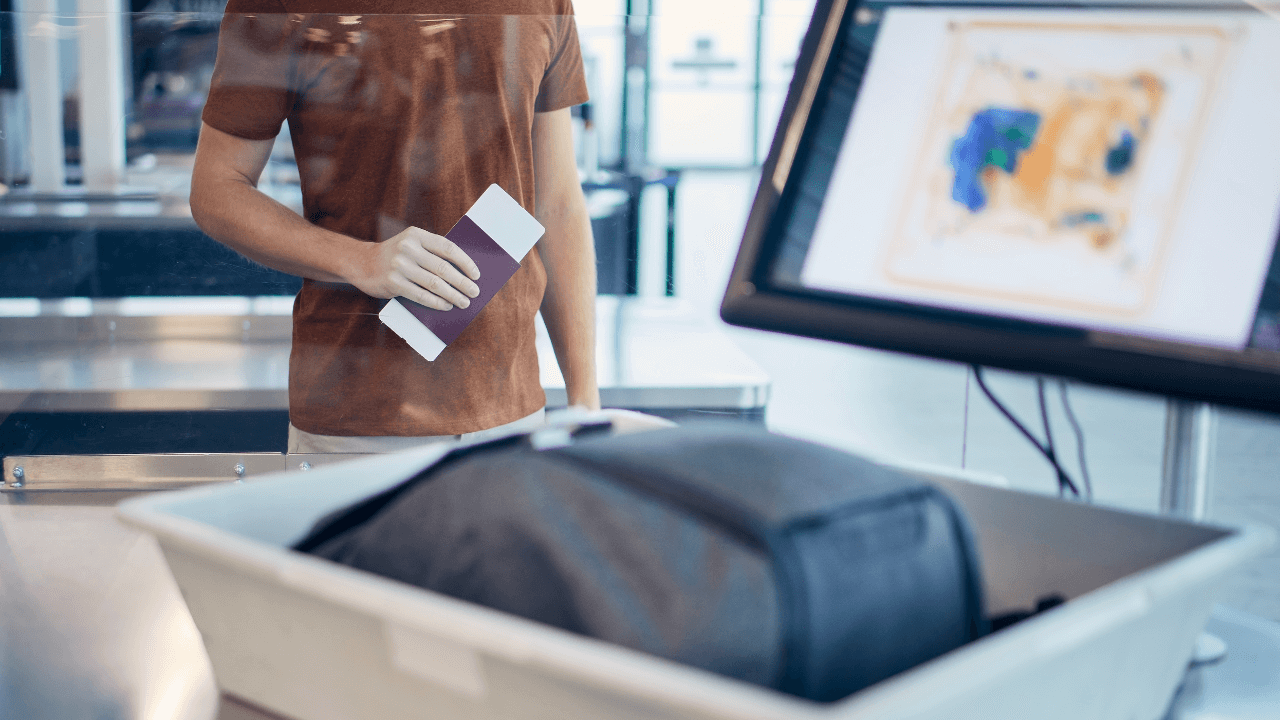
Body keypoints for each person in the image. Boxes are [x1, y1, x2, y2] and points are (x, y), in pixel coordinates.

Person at [190, 0, 600, 453]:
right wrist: (360, 260)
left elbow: (557, 202)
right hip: (357, 421)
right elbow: (217, 189)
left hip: (515, 415)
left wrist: (585, 400)